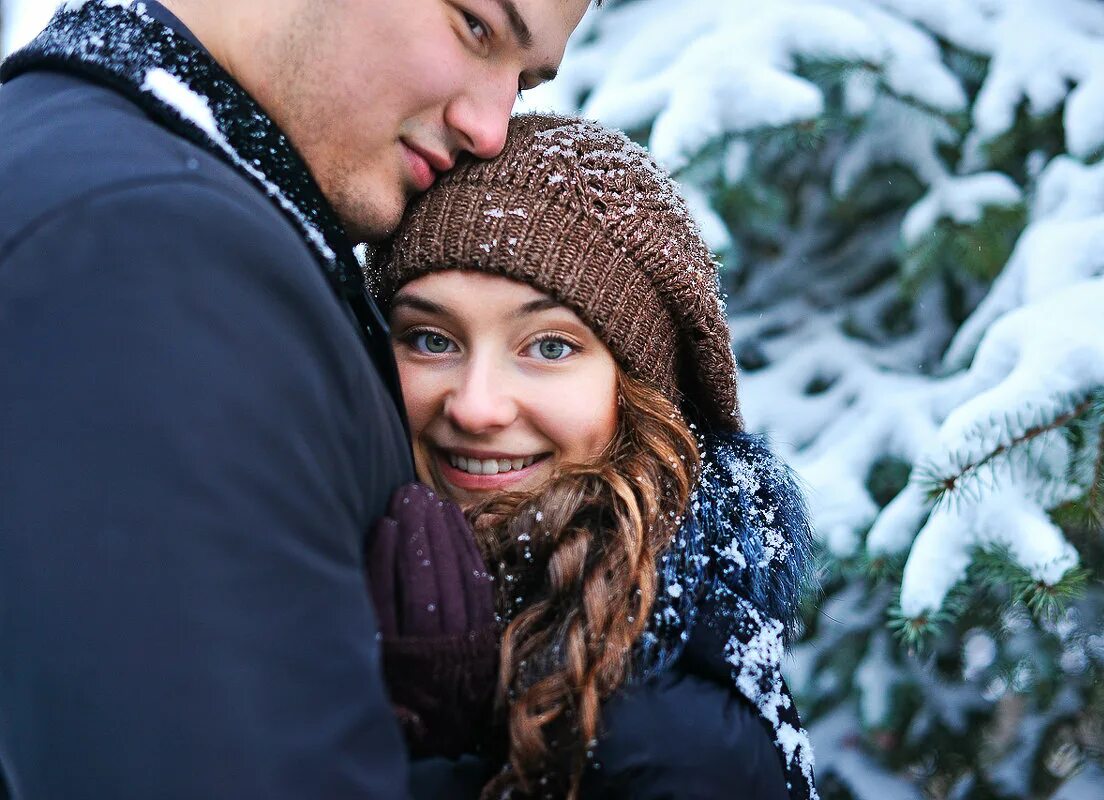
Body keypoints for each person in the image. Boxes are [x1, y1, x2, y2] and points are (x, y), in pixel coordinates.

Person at [0, 0, 588, 797]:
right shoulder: (147, 249)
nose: (491, 128)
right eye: (477, 26)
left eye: (522, 81)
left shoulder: (126, 183)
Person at [365, 114, 819, 799]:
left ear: (641, 395)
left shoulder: (672, 737)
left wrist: (418, 749)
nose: (476, 406)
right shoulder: (341, 566)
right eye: (431, 339)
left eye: (549, 346)